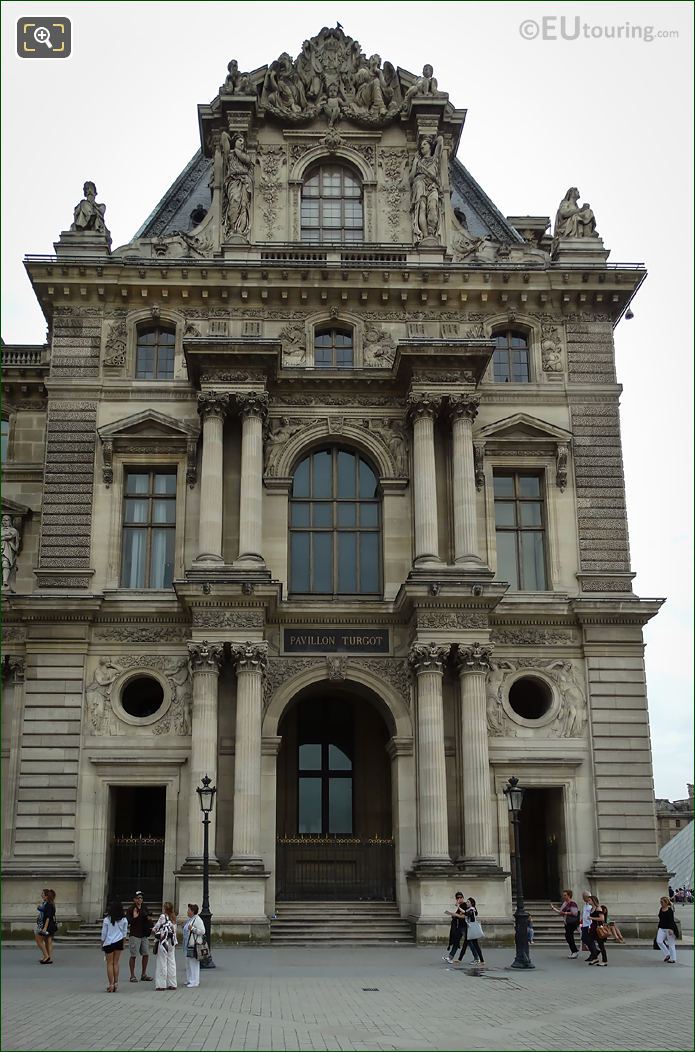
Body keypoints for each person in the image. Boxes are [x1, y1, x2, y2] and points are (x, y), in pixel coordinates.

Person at [126, 891, 153, 982]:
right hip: (135, 934)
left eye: (141, 898)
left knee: (146, 954)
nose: (140, 899)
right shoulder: (131, 909)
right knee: (134, 955)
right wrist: (134, 917)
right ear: (134, 899)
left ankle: (144, 974)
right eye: (138, 898)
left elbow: (149, 918)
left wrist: (150, 921)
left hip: (144, 934)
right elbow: (128, 922)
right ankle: (132, 975)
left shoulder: (144, 908)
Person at [101, 900, 128, 992]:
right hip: (119, 941)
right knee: (116, 963)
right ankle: (116, 983)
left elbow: (104, 933)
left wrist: (102, 943)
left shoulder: (107, 919)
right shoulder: (124, 920)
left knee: (109, 963)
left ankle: (111, 984)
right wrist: (123, 944)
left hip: (109, 942)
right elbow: (124, 933)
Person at [152, 902, 178, 990]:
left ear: (165, 908)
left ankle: (161, 984)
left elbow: (156, 928)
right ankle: (172, 983)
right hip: (171, 942)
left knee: (162, 962)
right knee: (171, 962)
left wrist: (154, 930)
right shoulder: (174, 918)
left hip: (164, 942)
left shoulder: (163, 917)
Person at [550, 889, 580, 958]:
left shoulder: (572, 903)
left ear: (569, 895)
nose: (563, 896)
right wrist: (554, 908)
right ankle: (574, 951)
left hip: (571, 922)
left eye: (565, 895)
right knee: (568, 937)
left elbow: (575, 913)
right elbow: (561, 912)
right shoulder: (565, 903)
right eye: (563, 895)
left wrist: (565, 913)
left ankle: (574, 951)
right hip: (566, 922)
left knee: (569, 936)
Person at [183, 903, 206, 988]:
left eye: (188, 910)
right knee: (188, 962)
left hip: (194, 945)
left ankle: (195, 981)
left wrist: (192, 929)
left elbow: (203, 931)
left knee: (194, 963)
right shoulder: (190, 919)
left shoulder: (198, 920)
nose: (187, 911)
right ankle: (189, 979)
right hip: (188, 944)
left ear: (192, 911)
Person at [442, 892, 467, 963]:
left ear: (463, 898)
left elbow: (464, 914)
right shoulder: (461, 905)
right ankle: (450, 957)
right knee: (456, 941)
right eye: (457, 898)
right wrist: (453, 915)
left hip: (465, 927)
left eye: (460, 897)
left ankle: (477, 958)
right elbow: (458, 914)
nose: (459, 899)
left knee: (471, 943)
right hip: (460, 927)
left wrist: (456, 911)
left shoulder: (464, 905)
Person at [585, 895, 608, 967]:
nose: (588, 901)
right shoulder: (592, 908)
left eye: (589, 900)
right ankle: (595, 958)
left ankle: (605, 961)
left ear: (593, 901)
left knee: (601, 945)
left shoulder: (598, 908)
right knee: (588, 941)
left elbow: (602, 919)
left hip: (598, 928)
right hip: (593, 927)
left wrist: (591, 917)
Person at [37, 889, 57, 964]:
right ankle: (49, 957)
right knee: (48, 941)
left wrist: (45, 928)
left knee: (41, 940)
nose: (41, 895)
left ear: (46, 896)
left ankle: (47, 956)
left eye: (43, 894)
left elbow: (48, 917)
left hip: (48, 925)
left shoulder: (48, 904)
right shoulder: (50, 904)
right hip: (50, 925)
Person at [656, 896, 678, 963]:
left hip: (669, 928)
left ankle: (673, 958)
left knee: (671, 944)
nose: (661, 903)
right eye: (660, 902)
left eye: (662, 902)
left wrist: (671, 929)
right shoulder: (661, 909)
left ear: (666, 902)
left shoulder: (669, 910)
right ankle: (667, 954)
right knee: (659, 941)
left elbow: (671, 920)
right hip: (662, 928)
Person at [464, 897, 485, 967]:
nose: (466, 903)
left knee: (475, 945)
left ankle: (478, 960)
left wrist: (459, 907)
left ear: (471, 903)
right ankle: (480, 960)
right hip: (471, 929)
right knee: (475, 945)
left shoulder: (472, 910)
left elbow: (468, 915)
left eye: (468, 902)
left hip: (472, 929)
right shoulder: (471, 910)